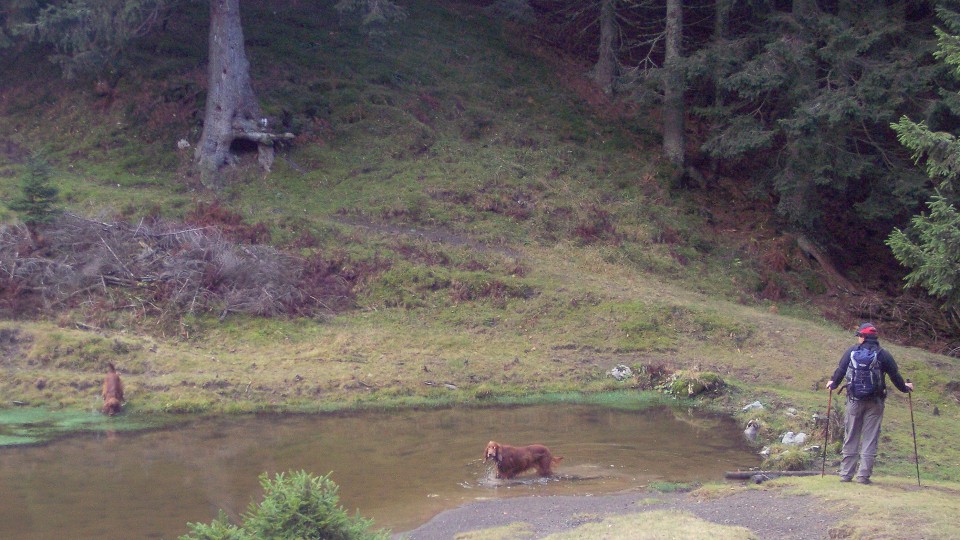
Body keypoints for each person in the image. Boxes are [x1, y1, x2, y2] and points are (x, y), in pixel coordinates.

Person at [826, 322, 913, 484]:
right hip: (875, 402)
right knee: (870, 437)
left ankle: (846, 475)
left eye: (859, 335)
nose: (858, 338)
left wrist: (833, 384)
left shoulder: (851, 352)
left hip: (854, 401)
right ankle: (863, 476)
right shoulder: (883, 354)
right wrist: (905, 388)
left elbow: (840, 371)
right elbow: (895, 376)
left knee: (851, 435)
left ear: (863, 337)